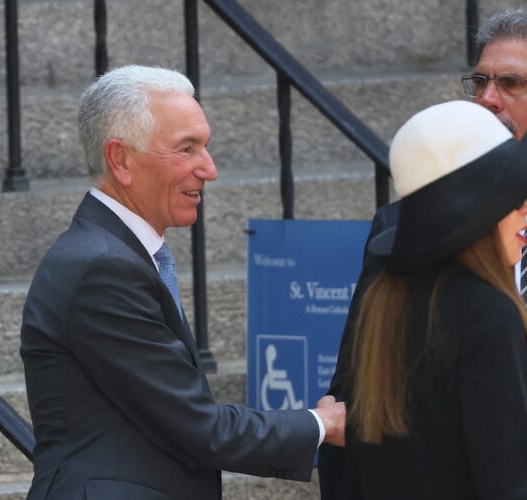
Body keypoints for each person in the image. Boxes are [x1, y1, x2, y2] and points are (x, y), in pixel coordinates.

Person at [20, 64, 345, 499]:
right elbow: (200, 426)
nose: (208, 169)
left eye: (205, 148)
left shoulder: (112, 254)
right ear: (121, 159)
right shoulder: (103, 267)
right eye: (187, 149)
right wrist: (323, 423)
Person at [320, 8, 527, 500]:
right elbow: (357, 390)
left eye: (512, 83)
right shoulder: (403, 234)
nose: (488, 99)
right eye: (481, 81)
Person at [343, 100, 527, 498]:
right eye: (513, 196)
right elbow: (509, 484)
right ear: (474, 211)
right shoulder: (488, 315)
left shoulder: (385, 303)